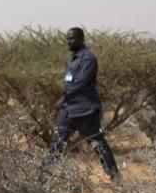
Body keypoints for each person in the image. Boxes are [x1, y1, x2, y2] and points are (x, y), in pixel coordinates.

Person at [44, 27, 120, 180]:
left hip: (85, 110)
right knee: (57, 143)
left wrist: (63, 98)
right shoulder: (74, 59)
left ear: (81, 39)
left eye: (72, 38)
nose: (68, 42)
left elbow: (81, 83)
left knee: (98, 143)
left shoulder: (88, 58)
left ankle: (115, 176)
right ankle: (44, 176)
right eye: (67, 39)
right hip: (68, 110)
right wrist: (64, 101)